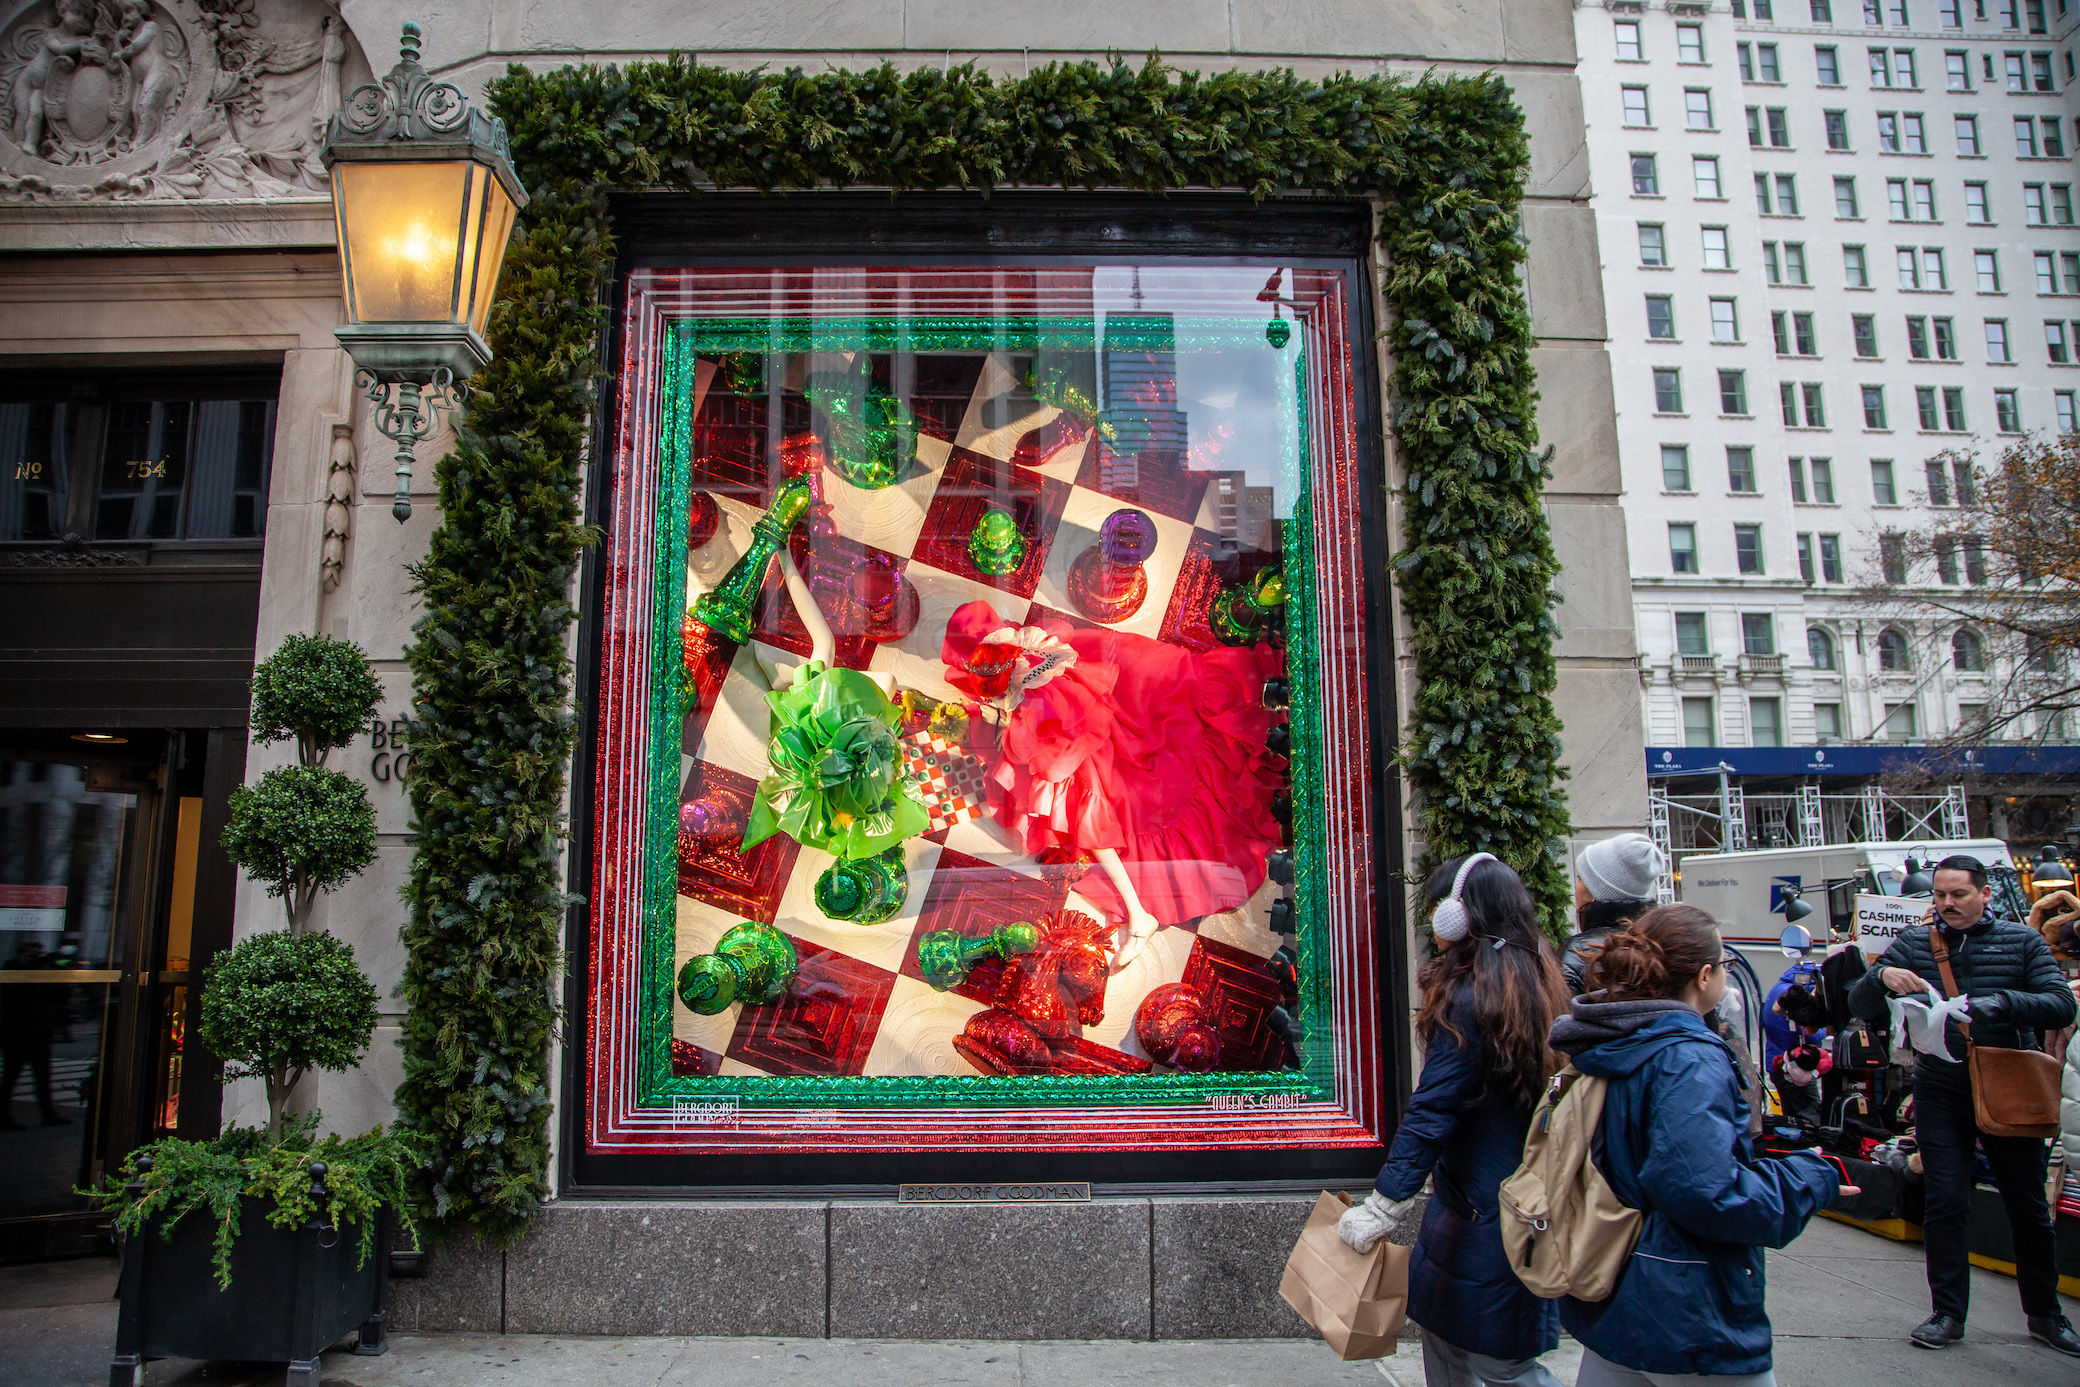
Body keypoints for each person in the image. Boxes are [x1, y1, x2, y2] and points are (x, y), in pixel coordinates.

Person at [1552, 904, 1846, 1387]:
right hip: (1687, 1297)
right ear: (1705, 975)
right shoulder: (1686, 1057)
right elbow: (1705, 1190)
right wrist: (1810, 1177)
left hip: (1615, 1280)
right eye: (1726, 966)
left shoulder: (1614, 1040)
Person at [1336, 853, 1567, 1387]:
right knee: (1459, 1347)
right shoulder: (1537, 982)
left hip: (1479, 1218)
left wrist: (1383, 1205)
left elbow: (1431, 1110)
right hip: (1502, 1204)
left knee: (1494, 1363)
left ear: (1460, 918)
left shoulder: (1472, 1000)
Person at [1848, 854, 2080, 1355]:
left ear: (1985, 894)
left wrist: (2004, 1002)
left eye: (1958, 895)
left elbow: (2062, 1003)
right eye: (1939, 895)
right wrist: (1880, 979)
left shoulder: (2022, 941)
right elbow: (1858, 1006)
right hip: (1941, 1086)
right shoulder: (1915, 942)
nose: (1947, 904)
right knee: (1946, 1200)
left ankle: (2045, 1313)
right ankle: (1947, 1314)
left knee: (2027, 1205)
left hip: (2008, 1082)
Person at [1562, 833, 1661, 996]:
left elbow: (1558, 1016)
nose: (1575, 886)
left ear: (1598, 891)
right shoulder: (1661, 941)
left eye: (1581, 878)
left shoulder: (1579, 953)